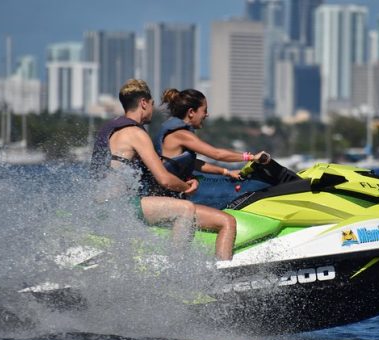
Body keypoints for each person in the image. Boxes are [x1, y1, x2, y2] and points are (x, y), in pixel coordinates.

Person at [90, 79, 236, 260]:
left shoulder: (111, 129)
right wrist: (186, 187)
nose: (153, 109)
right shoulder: (136, 134)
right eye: (151, 104)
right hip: (119, 206)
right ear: (144, 103)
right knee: (185, 208)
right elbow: (164, 179)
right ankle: (176, 269)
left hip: (103, 204)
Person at [154, 88, 270, 196]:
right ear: (191, 112)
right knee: (226, 219)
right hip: (160, 196)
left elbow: (194, 164)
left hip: (166, 194)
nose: (206, 114)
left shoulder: (178, 133)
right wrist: (251, 157)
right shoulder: (181, 135)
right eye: (204, 110)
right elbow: (217, 154)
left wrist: (226, 172)